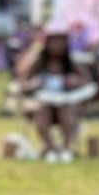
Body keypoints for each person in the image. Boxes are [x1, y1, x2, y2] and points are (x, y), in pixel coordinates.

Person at [16, 24, 90, 159]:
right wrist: (34, 85)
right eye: (54, 42)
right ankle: (49, 147)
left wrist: (74, 82)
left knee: (66, 109)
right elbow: (22, 85)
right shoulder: (37, 62)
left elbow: (86, 82)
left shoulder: (70, 63)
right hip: (41, 104)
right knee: (42, 109)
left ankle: (67, 147)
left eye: (62, 42)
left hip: (65, 103)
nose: (58, 46)